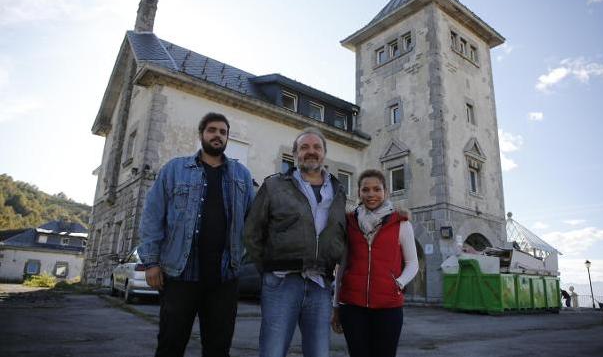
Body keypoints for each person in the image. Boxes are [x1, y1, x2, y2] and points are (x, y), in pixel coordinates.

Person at [138, 112, 254, 357]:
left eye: (223, 132)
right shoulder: (174, 170)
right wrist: (151, 262)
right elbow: (152, 216)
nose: (217, 136)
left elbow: (253, 221)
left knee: (218, 348)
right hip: (180, 275)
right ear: (201, 134)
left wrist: (247, 257)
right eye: (212, 130)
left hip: (224, 277)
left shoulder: (241, 175)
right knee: (170, 344)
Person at [244, 127, 347, 357]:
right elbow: (252, 231)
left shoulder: (338, 191)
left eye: (317, 147)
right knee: (273, 351)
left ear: (324, 153)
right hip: (281, 283)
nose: (311, 151)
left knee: (319, 353)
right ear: (295, 154)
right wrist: (269, 269)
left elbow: (343, 234)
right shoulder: (274, 186)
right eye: (304, 147)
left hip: (320, 285)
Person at [331, 169, 418, 357]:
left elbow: (412, 263)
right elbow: (342, 266)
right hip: (352, 307)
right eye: (366, 189)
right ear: (359, 193)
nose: (371, 194)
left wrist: (398, 283)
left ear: (385, 192)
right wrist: (336, 305)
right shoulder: (350, 223)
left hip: (389, 307)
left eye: (377, 189)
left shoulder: (401, 223)